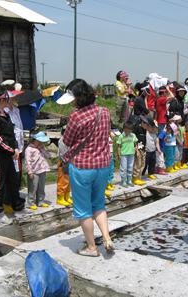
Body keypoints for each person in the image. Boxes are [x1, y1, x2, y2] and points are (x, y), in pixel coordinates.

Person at [58, 78, 114, 257]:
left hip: (82, 167)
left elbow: (66, 141)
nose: (73, 103)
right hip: (103, 166)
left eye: (73, 99)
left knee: (83, 209)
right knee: (98, 203)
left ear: (79, 98)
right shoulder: (104, 112)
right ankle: (106, 238)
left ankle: (91, 248)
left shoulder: (76, 116)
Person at [0, 86, 30, 225]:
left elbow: (12, 134)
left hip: (10, 153)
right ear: (1, 99)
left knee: (13, 180)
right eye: (7, 96)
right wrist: (11, 150)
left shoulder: (4, 114)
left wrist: (15, 148)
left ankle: (18, 206)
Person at [3, 91, 24, 214]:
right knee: (9, 176)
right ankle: (7, 202)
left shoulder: (16, 109)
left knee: (17, 175)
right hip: (10, 147)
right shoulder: (3, 111)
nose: (14, 98)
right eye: (12, 97)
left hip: (18, 145)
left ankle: (15, 199)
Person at [24, 129, 51, 209]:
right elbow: (27, 161)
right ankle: (31, 202)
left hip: (42, 170)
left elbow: (48, 155)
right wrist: (30, 172)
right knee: (33, 187)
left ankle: (40, 201)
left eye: (41, 142)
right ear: (32, 140)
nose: (40, 143)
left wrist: (42, 148)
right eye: (38, 141)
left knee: (41, 187)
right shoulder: (29, 149)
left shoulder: (41, 148)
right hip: (34, 171)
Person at [117, 121, 138, 187]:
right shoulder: (121, 136)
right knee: (123, 167)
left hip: (131, 154)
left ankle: (129, 180)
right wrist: (119, 154)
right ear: (123, 129)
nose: (127, 133)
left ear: (132, 130)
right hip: (124, 154)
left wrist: (137, 151)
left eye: (129, 131)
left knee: (130, 167)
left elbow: (135, 144)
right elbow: (119, 146)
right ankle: (123, 181)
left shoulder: (133, 135)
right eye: (126, 131)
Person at [56, 127, 73, 206]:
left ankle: (67, 196)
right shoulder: (62, 140)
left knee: (69, 180)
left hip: (70, 161)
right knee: (63, 180)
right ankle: (60, 197)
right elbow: (63, 153)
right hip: (64, 161)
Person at [132, 117, 149, 185]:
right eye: (146, 125)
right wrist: (135, 147)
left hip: (143, 149)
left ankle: (139, 177)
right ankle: (135, 178)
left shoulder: (144, 130)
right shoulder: (137, 128)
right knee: (137, 164)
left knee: (143, 164)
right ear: (142, 122)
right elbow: (133, 138)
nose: (147, 126)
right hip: (138, 149)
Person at [142, 115, 159, 179]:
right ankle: (142, 173)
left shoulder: (154, 135)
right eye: (152, 127)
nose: (153, 129)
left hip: (153, 151)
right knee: (145, 163)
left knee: (152, 163)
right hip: (146, 151)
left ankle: (151, 173)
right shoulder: (146, 133)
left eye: (155, 128)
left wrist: (158, 149)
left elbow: (156, 142)